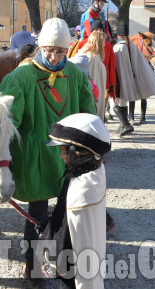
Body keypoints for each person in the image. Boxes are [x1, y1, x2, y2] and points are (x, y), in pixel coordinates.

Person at [0, 17, 96, 289]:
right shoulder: (19, 77)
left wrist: (91, 147)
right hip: (34, 156)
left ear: (68, 50)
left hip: (68, 157)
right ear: (40, 46)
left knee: (69, 210)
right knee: (38, 213)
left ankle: (69, 259)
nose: (54, 56)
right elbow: (6, 123)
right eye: (49, 50)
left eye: (60, 51)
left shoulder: (75, 75)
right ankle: (33, 263)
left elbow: (88, 114)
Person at [36, 113, 110, 289]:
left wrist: (55, 262)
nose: (61, 157)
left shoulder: (81, 192)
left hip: (74, 268)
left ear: (79, 153)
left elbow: (71, 235)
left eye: (63, 151)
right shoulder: (91, 171)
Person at [111, 22, 155, 136]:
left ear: (118, 35)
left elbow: (113, 66)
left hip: (120, 81)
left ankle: (126, 125)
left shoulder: (117, 48)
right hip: (131, 79)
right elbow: (141, 65)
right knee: (123, 103)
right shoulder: (133, 46)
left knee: (116, 104)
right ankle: (122, 126)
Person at [76, 30, 108, 122]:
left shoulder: (94, 57)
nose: (105, 45)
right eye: (103, 43)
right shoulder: (90, 57)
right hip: (91, 97)